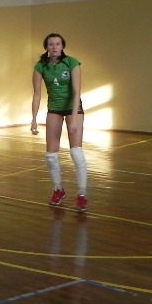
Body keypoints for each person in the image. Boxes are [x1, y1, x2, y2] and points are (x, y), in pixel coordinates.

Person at [31, 34, 88, 211]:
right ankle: (58, 190)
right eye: (51, 44)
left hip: (73, 108)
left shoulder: (72, 63)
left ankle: (82, 194)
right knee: (50, 155)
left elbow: (76, 92)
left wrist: (74, 119)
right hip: (54, 108)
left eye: (57, 44)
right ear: (46, 47)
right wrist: (34, 119)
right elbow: (37, 94)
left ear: (62, 46)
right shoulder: (40, 66)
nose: (54, 47)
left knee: (76, 152)